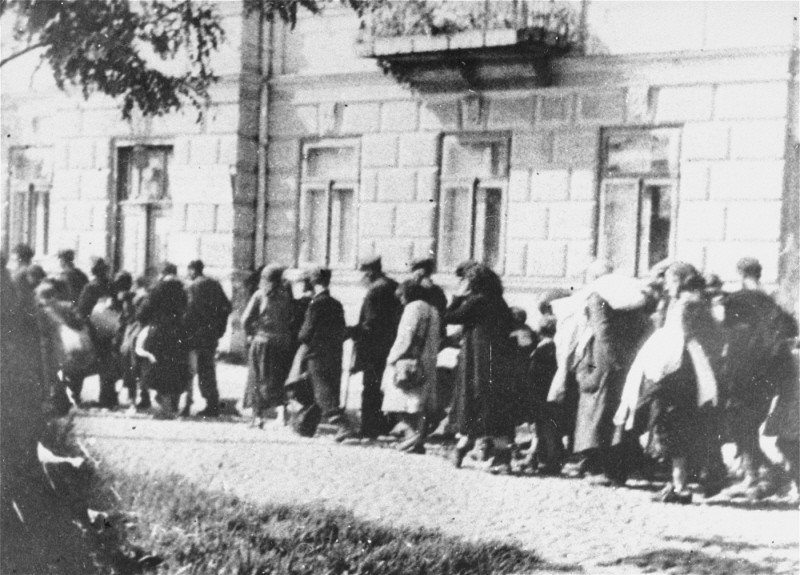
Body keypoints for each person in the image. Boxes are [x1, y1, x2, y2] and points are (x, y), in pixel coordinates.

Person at [616, 262, 724, 504]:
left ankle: (680, 485)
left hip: (679, 368)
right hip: (679, 365)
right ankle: (677, 483)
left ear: (680, 280)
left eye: (670, 280)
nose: (666, 285)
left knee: (672, 421)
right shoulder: (686, 301)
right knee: (672, 421)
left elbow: (684, 335)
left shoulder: (688, 303)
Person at [720, 257, 799, 499]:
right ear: (760, 273)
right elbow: (792, 329)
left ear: (739, 273)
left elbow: (728, 338)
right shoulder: (771, 302)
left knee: (741, 424)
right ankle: (757, 474)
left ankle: (758, 474)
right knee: (750, 423)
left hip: (744, 372)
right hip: (771, 373)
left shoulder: (736, 300)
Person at [572, 260, 651, 485]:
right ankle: (621, 466)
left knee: (593, 404)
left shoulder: (597, 296)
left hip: (599, 357)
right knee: (619, 407)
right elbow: (643, 326)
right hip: (627, 356)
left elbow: (602, 330)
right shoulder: (630, 294)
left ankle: (595, 465)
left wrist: (613, 359)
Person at [446, 264, 516, 473]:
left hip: (478, 359)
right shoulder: (499, 301)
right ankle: (501, 457)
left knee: (473, 400)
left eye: (464, 280)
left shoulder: (477, 301)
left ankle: (462, 448)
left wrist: (457, 297)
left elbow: (449, 317)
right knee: (495, 405)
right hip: (498, 360)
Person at [381, 280, 441, 455]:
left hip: (408, 361)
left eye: (401, 296)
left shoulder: (413, 308)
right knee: (420, 403)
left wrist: (392, 357)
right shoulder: (434, 310)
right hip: (427, 361)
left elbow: (405, 336)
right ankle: (418, 438)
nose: (400, 300)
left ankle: (411, 437)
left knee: (402, 399)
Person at [345, 256, 402, 440]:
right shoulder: (393, 285)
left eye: (363, 274)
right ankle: (382, 424)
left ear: (369, 272)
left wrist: (352, 331)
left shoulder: (374, 292)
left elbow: (370, 324)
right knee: (384, 385)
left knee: (370, 386)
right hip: (391, 343)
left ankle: (369, 427)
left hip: (373, 346)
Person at [294, 267, 350, 437]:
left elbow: (305, 334)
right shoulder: (336, 303)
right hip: (335, 354)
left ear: (313, 283)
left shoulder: (316, 304)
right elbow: (342, 330)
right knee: (323, 390)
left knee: (322, 392)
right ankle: (306, 426)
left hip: (316, 355)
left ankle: (344, 426)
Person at [241, 264, 294, 427]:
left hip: (263, 341)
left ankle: (258, 417)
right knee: (279, 378)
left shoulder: (260, 295)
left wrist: (251, 333)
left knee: (257, 378)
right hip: (282, 342)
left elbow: (245, 319)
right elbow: (291, 317)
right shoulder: (286, 295)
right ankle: (283, 415)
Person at [135, 275, 190, 414]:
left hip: (158, 332)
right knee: (176, 367)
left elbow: (141, 314)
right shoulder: (182, 292)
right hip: (179, 332)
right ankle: (173, 403)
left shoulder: (156, 291)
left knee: (155, 365)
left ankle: (161, 403)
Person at [184, 260, 232, 418]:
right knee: (207, 370)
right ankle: (212, 403)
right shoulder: (215, 284)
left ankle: (187, 404)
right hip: (210, 335)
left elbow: (188, 311)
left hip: (195, 334)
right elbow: (227, 307)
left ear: (192, 270)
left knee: (190, 369)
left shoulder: (192, 287)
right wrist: (220, 329)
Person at [522, 316, 564, 475]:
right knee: (550, 430)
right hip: (551, 396)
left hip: (541, 396)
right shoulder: (557, 348)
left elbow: (533, 375)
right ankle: (547, 460)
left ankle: (546, 461)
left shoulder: (542, 350)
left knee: (542, 430)